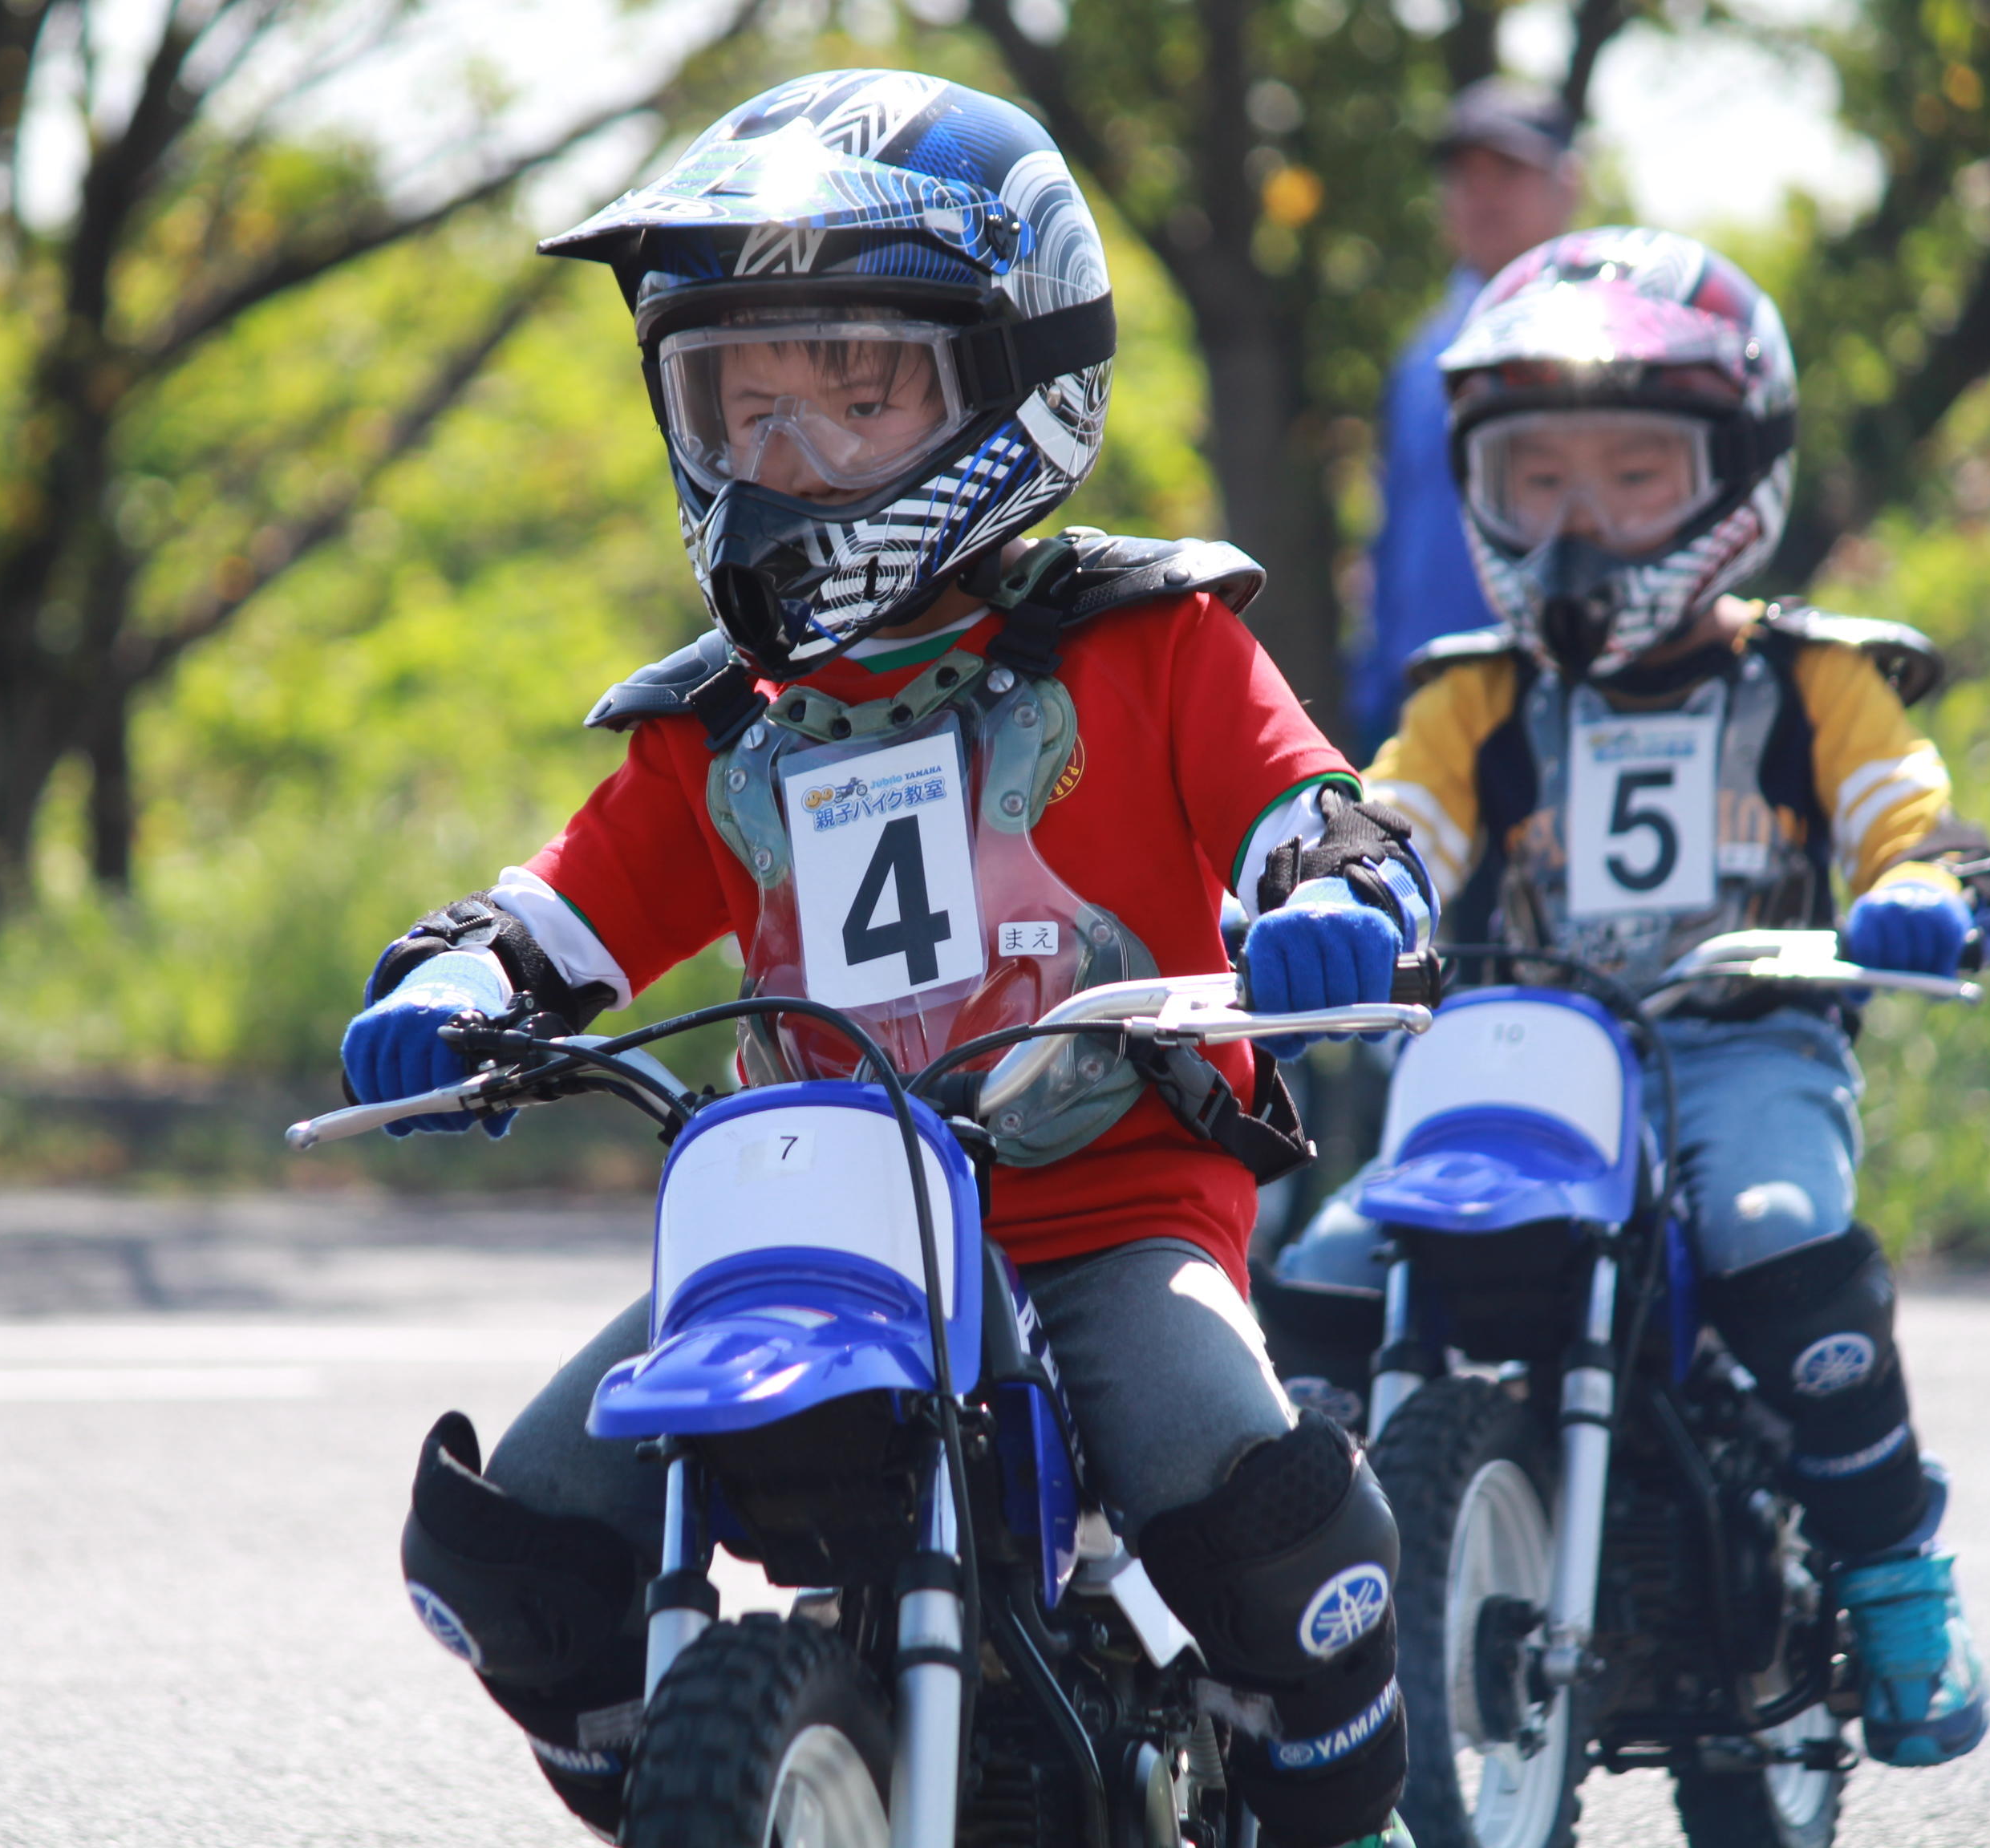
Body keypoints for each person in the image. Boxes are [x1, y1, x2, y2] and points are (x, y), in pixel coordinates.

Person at [338, 69, 1433, 1848]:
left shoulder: (1150, 642)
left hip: (1109, 1210)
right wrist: (460, 992)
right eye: (740, 399)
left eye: (852, 392)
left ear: (1015, 377)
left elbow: (1310, 809)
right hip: (812, 1231)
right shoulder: (720, 733)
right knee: (506, 1554)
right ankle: (739, 1776)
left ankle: (1342, 1808)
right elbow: (561, 912)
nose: (787, 453)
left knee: (1264, 1524)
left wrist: (1333, 899)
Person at [1259, 226, 1990, 1770]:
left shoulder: (1811, 678)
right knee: (1331, 1261)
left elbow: (1910, 809)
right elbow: (1400, 816)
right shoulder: (1474, 691)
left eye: (1633, 476)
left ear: (1736, 477)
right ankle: (1302, 1605)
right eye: (1537, 480)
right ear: (1478, 483)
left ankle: (1887, 1567)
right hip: (1517, 1056)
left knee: (1775, 1228)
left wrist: (1927, 886)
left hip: (1742, 1036)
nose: (1581, 520)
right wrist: (1338, 896)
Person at [1352, 78, 1583, 756]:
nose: (1482, 194)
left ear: (1567, 184)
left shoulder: (1608, 339)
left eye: (1508, 171)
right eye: (1464, 174)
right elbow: (1391, 535)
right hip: (1420, 710)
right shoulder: (1422, 351)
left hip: (1563, 706)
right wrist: (1371, 693)